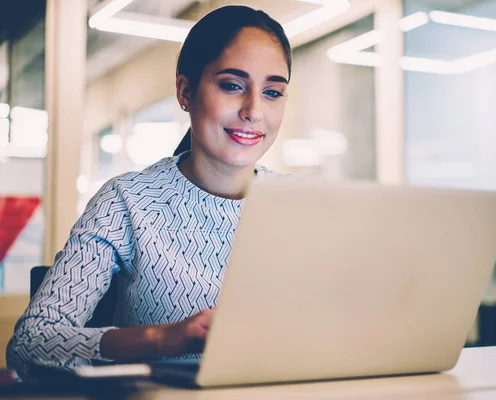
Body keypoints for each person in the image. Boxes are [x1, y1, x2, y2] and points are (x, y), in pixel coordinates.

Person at [6, 5, 292, 379]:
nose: (254, 110)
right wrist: (160, 338)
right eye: (232, 85)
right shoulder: (127, 201)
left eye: (273, 92)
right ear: (185, 91)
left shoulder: (304, 203)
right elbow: (31, 342)